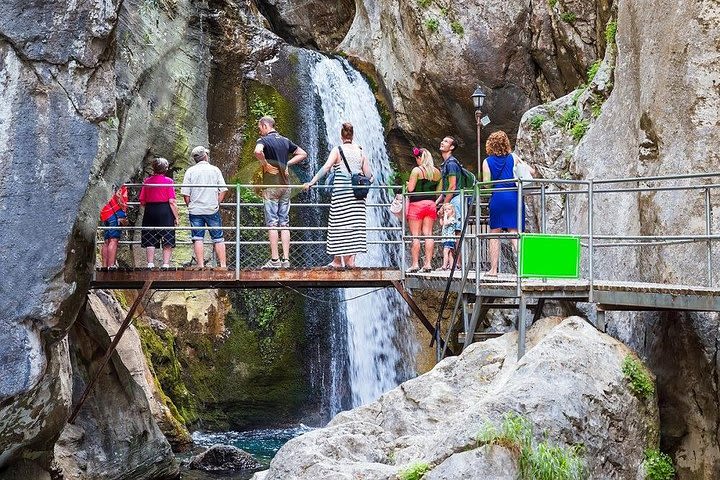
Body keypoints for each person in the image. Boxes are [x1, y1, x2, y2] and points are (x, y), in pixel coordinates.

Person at [303, 122, 373, 268]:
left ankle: (337, 261)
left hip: (341, 196)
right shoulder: (361, 151)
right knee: (354, 226)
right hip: (357, 197)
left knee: (338, 225)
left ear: (341, 136)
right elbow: (369, 175)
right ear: (352, 135)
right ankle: (351, 261)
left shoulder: (338, 150)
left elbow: (326, 167)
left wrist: (312, 182)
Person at [254, 116, 308, 268]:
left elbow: (258, 152)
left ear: (265, 125)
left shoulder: (263, 141)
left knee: (272, 223)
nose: (259, 131)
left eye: (260, 127)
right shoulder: (285, 140)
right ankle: (286, 260)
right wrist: (286, 164)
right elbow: (303, 153)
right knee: (284, 223)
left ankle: (275, 260)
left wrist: (265, 164)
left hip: (271, 186)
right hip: (286, 186)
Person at [482, 131, 529, 276]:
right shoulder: (513, 157)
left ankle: (493, 269)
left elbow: (486, 184)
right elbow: (528, 171)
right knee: (514, 232)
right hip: (514, 197)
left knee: (494, 234)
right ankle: (525, 267)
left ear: (490, 144)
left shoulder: (487, 161)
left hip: (498, 197)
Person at [181, 146, 228, 269]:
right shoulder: (215, 170)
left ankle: (200, 264)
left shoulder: (190, 171)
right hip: (212, 208)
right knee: (218, 237)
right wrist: (216, 203)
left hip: (195, 210)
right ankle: (223, 265)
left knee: (197, 238)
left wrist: (190, 206)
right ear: (205, 156)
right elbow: (223, 190)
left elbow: (186, 194)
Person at [406, 147, 441, 272]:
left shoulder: (416, 170)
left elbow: (410, 189)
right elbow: (439, 191)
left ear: (420, 158)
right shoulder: (437, 172)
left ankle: (415, 264)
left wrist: (407, 184)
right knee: (428, 234)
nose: (416, 161)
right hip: (430, 204)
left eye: (417, 158)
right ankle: (428, 264)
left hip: (416, 204)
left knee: (416, 235)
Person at [139, 158, 178, 268]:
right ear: (165, 169)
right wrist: (176, 217)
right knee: (167, 235)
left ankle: (150, 263)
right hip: (165, 209)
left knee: (150, 234)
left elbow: (142, 201)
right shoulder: (168, 181)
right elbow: (172, 201)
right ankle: (166, 264)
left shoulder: (147, 181)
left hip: (150, 209)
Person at [100, 184, 128, 268]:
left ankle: (104, 266)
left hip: (104, 212)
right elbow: (120, 197)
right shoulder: (119, 181)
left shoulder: (105, 180)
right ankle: (111, 265)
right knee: (113, 240)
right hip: (115, 212)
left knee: (106, 241)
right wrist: (123, 211)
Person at [439, 203, 457, 270]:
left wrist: (445, 216)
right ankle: (452, 266)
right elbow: (442, 224)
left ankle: (444, 266)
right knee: (450, 253)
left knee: (445, 251)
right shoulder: (446, 218)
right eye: (445, 209)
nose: (447, 211)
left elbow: (446, 223)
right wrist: (441, 217)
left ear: (452, 211)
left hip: (450, 238)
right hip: (445, 238)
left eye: (449, 209)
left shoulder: (452, 219)